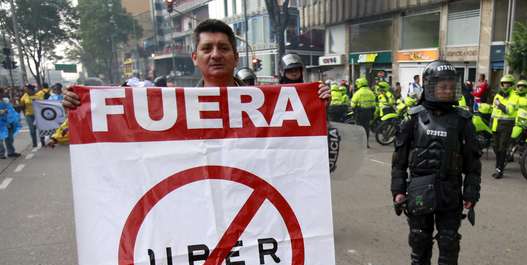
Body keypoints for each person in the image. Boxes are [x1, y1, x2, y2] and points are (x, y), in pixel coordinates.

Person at [63, 20, 330, 109]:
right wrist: (85, 108)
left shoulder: (270, 103)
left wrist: (316, 105)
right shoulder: (172, 105)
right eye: (207, 48)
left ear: (235, 57)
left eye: (224, 48)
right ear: (195, 58)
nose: (215, 54)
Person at [391, 60, 481, 265]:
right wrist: (398, 190)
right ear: (430, 87)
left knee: (449, 240)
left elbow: (473, 161)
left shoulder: (463, 120)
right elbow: (399, 159)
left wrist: (471, 192)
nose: (447, 90)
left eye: (451, 86)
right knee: (419, 237)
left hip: (450, 189)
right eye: (442, 86)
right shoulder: (413, 117)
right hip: (418, 188)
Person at [490, 74, 517, 178]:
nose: (505, 86)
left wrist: (499, 104)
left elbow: (509, 110)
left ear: (511, 85)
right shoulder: (498, 95)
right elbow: (493, 110)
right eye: (504, 84)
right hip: (496, 124)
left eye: (508, 84)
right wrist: (491, 123)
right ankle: (498, 167)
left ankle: (500, 170)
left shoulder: (514, 96)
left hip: (506, 125)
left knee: (502, 148)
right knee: (496, 148)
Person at [350, 77, 376, 147]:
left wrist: (354, 109)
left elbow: (352, 104)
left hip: (359, 113)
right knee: (366, 128)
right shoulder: (371, 92)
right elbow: (374, 105)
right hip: (368, 113)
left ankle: (359, 143)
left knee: (359, 128)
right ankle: (366, 143)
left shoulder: (358, 93)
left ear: (360, 84)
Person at [19, 84, 44, 148]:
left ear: (33, 90)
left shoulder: (38, 95)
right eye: (27, 89)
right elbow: (22, 106)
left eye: (30, 89)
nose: (28, 90)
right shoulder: (24, 96)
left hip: (38, 115)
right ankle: (34, 143)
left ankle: (42, 141)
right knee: (32, 130)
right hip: (29, 115)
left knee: (40, 129)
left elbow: (42, 103)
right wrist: (24, 114)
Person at [0, 94, 21, 159]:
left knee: (9, 138)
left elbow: (11, 110)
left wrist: (14, 119)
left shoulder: (5, 101)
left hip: (8, 122)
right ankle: (1, 154)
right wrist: (2, 111)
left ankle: (11, 152)